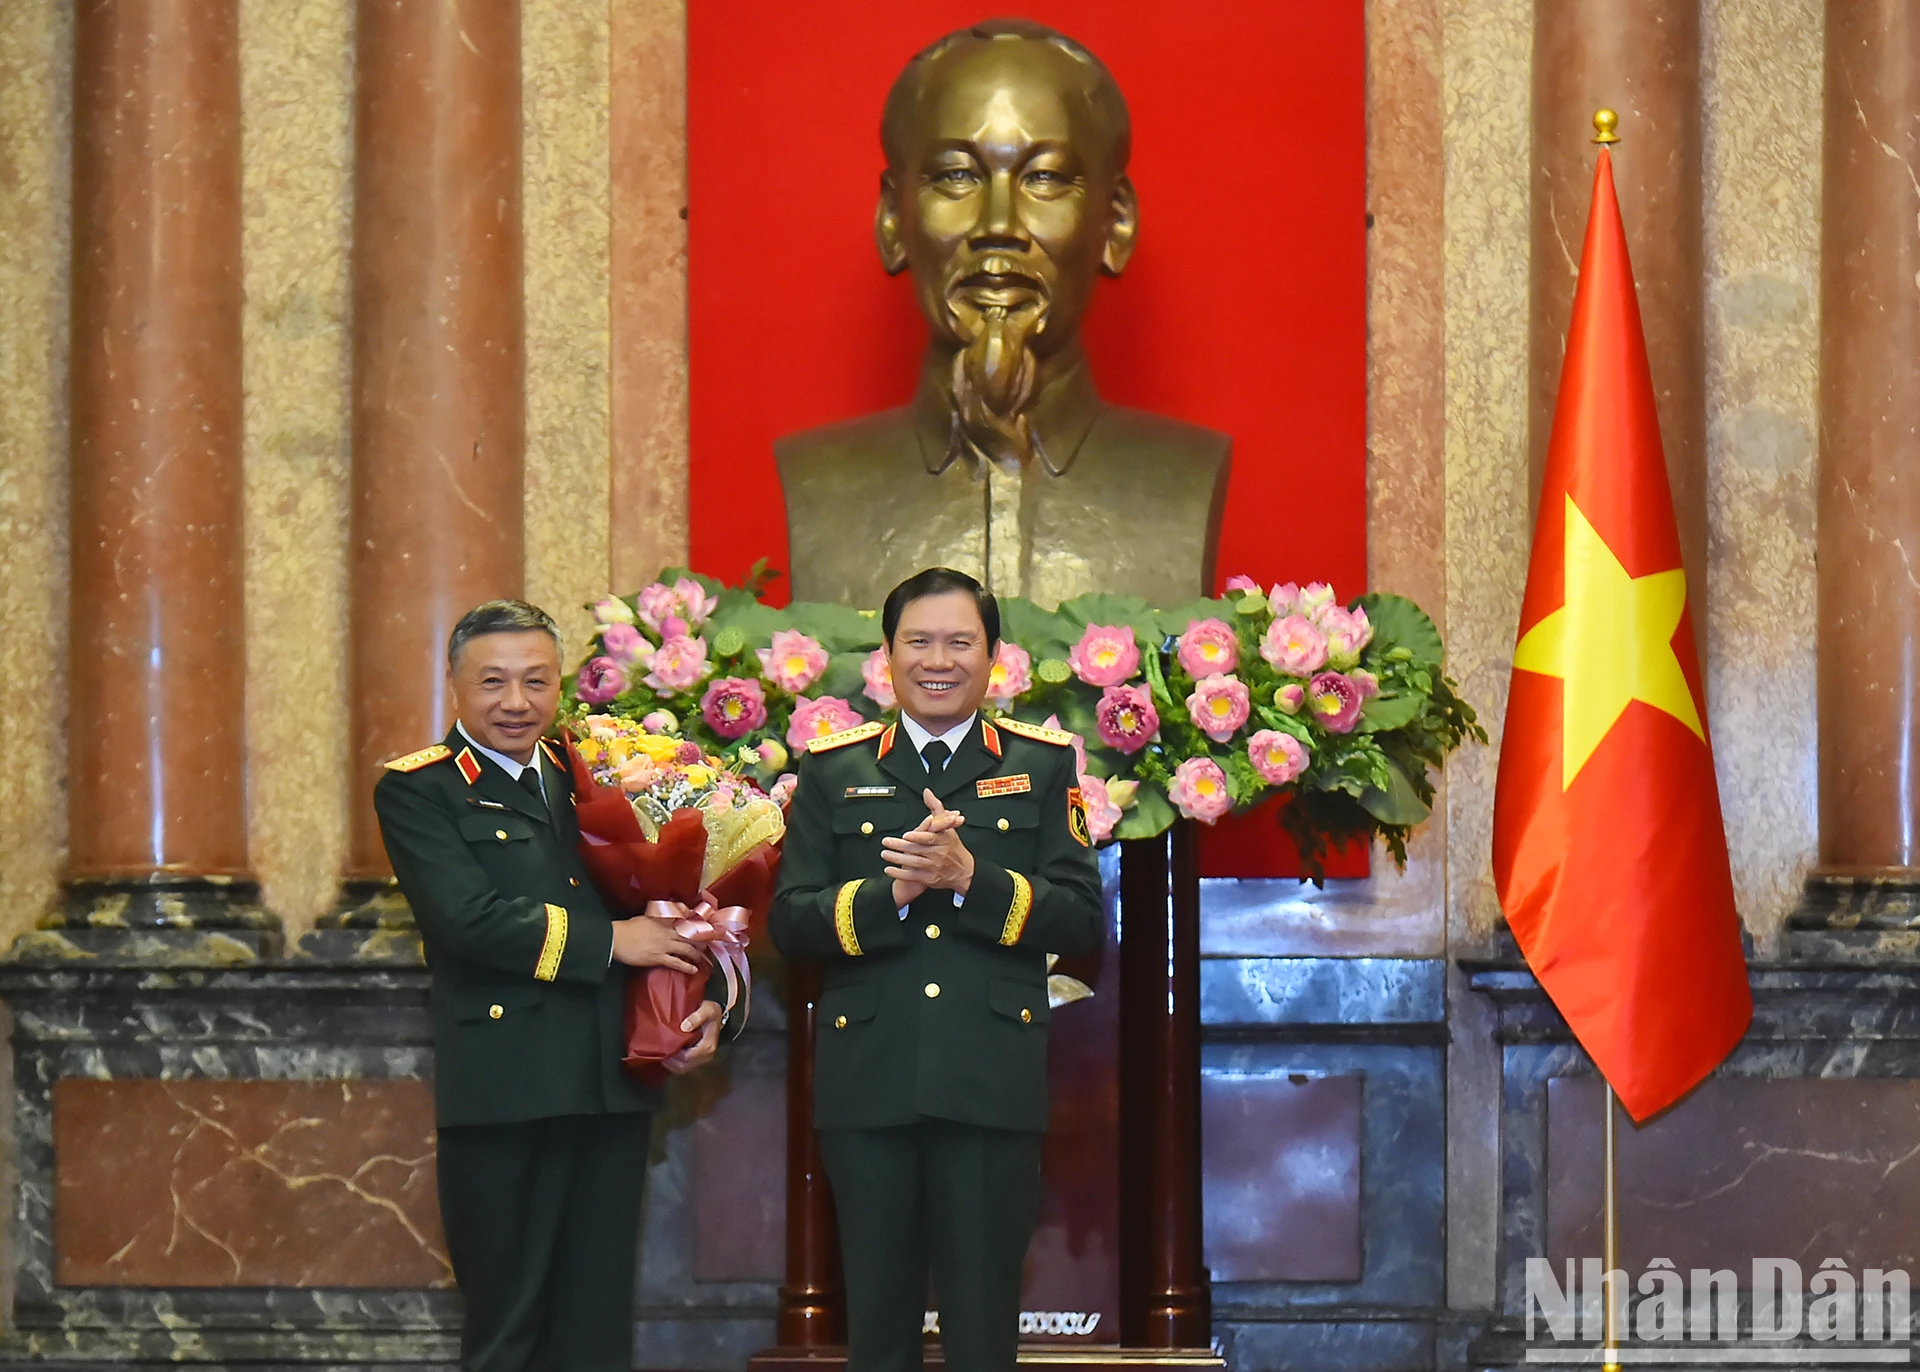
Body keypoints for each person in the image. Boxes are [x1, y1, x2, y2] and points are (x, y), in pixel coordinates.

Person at [373, 599, 723, 1372]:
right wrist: (613, 942)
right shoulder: (418, 789)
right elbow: (469, 920)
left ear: (559, 686)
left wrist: (710, 999)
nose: (515, 702)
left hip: (609, 1081)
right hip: (507, 1088)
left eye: (536, 681)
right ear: (455, 685)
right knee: (510, 1326)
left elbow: (680, 901)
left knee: (596, 1330)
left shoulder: (600, 772)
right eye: (493, 682)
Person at [770, 567, 1105, 1372]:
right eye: (918, 641)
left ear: (994, 658)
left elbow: (1083, 918)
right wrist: (892, 893)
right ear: (886, 655)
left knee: (983, 1328)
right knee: (877, 1327)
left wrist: (970, 880)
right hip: (869, 1075)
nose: (939, 659)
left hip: (988, 1075)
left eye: (961, 642)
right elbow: (789, 920)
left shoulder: (1044, 763)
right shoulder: (831, 768)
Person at [777, 19, 1229, 609]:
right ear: (894, 219)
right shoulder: (821, 482)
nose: (998, 226)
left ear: (1114, 223)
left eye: (1043, 178)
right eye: (956, 176)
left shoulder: (1185, 479)